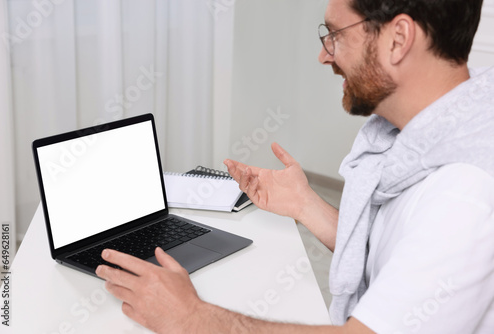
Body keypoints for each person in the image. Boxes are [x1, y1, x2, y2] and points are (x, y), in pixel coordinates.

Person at [96, 0, 494, 332]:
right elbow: (399, 253)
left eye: (335, 35)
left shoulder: (467, 193)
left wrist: (192, 318)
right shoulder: (439, 132)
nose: (324, 55)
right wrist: (305, 204)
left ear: (398, 39)